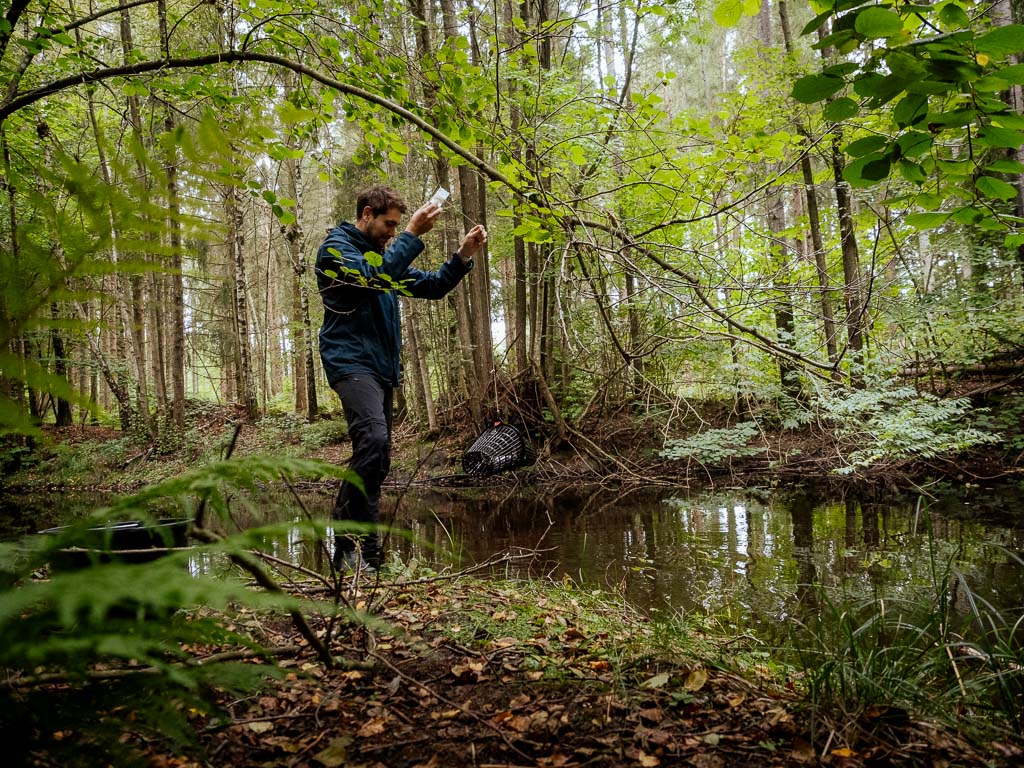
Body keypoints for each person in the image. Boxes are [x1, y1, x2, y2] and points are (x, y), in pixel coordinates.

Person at [316, 185, 487, 571]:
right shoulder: (335, 251)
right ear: (365, 215)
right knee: (373, 442)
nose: (392, 232)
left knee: (376, 460)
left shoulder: (384, 259)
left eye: (397, 227)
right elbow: (369, 279)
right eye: (388, 225)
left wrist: (463, 255)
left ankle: (371, 555)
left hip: (380, 368)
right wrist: (411, 235)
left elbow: (431, 286)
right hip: (349, 361)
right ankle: (344, 545)